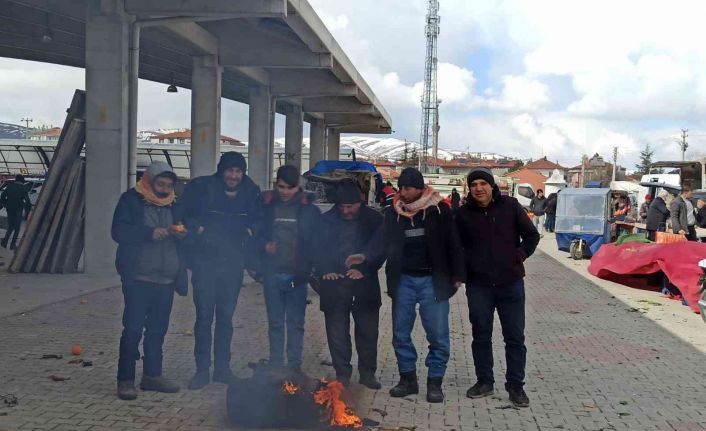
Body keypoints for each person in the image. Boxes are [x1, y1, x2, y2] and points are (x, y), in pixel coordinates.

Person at [360, 167, 465, 403]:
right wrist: (364, 260)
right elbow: (382, 243)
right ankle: (408, 379)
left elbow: (453, 243)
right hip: (404, 280)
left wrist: (458, 274)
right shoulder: (393, 212)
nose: (402, 192)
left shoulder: (439, 210)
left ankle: (435, 383)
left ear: (419, 188)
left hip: (432, 281)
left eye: (407, 188)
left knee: (438, 335)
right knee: (400, 334)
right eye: (401, 187)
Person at [176, 152, 263, 389]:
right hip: (205, 263)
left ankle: (223, 369)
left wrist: (253, 245)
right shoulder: (203, 188)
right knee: (204, 318)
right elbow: (182, 212)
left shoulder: (250, 192)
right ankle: (202, 370)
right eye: (230, 170)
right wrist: (198, 229)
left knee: (225, 319)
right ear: (221, 171)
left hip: (233, 265)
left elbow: (258, 222)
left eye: (238, 171)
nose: (234, 176)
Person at [455, 168, 540, 408]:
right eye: (474, 184)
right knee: (480, 336)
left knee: (514, 337)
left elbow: (532, 236)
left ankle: (516, 387)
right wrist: (462, 272)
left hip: (510, 284)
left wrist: (520, 255)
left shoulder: (511, 207)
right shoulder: (462, 215)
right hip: (479, 286)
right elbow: (455, 246)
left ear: (492, 186)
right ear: (469, 188)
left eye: (483, 183)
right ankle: (484, 382)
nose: (479, 188)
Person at [111, 162, 187, 400]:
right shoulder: (131, 200)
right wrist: (148, 233)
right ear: (149, 181)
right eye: (160, 184)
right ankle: (125, 380)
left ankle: (152, 375)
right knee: (133, 328)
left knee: (157, 330)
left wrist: (184, 233)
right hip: (138, 277)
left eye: (168, 185)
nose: (164, 189)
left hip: (166, 279)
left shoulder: (175, 203)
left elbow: (185, 232)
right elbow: (118, 232)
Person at [315, 180, 384, 389]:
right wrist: (325, 270)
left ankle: (367, 373)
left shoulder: (375, 220)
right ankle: (342, 372)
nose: (345, 211)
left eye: (350, 206)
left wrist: (364, 268)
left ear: (360, 202)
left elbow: (381, 248)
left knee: (368, 332)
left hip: (365, 285)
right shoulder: (325, 221)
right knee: (337, 332)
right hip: (334, 284)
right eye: (341, 207)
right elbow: (317, 248)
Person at [257, 165, 320, 374]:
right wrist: (264, 245)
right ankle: (275, 363)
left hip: (297, 277)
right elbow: (255, 234)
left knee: (295, 324)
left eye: (289, 188)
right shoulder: (266, 206)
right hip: (272, 274)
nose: (284, 191)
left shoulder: (309, 210)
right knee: (275, 323)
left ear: (298, 187)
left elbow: (315, 242)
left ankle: (294, 365)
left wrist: (309, 267)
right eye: (281, 186)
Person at [0, 175, 32, 249]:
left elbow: (2, 196)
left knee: (11, 226)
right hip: (18, 209)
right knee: (17, 228)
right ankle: (12, 244)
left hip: (9, 208)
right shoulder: (24, 188)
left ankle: (4, 242)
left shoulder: (10, 186)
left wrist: (5, 204)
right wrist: (27, 214)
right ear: (22, 181)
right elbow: (28, 202)